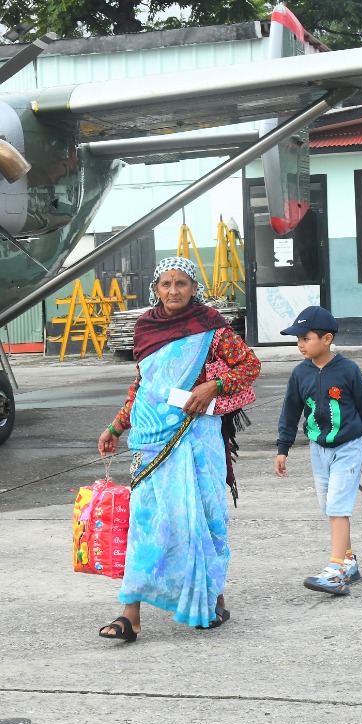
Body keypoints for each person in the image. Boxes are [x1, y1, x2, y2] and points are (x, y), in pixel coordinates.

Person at [96, 257, 261, 641]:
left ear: (193, 288)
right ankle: (130, 615)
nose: (173, 291)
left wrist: (212, 387)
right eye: (166, 284)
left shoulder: (212, 330)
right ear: (155, 289)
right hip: (151, 439)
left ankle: (209, 598)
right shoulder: (145, 328)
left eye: (181, 284)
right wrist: (117, 425)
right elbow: (144, 383)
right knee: (147, 522)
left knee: (203, 517)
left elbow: (250, 366)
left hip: (197, 437)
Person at [273, 306, 362, 596]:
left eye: (305, 338)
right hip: (318, 449)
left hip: (349, 446)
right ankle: (348, 560)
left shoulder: (348, 370)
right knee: (329, 508)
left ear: (327, 339)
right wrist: (283, 449)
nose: (300, 345)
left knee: (338, 506)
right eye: (298, 339)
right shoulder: (299, 374)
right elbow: (290, 412)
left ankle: (334, 571)